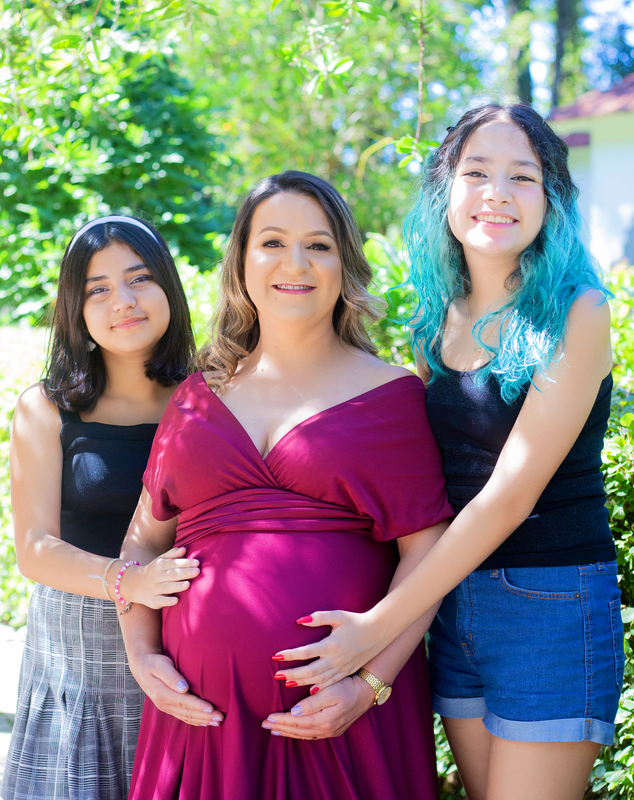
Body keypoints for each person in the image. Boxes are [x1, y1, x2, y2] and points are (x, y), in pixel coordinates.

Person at [271, 104, 623, 800]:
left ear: (551, 197)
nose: (497, 193)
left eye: (522, 176)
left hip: (549, 603)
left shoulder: (579, 312)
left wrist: (375, 628)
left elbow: (509, 497)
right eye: (477, 173)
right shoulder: (435, 320)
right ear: (445, 192)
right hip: (453, 602)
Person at [118, 171, 454, 800]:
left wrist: (370, 684)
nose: (294, 263)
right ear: (241, 262)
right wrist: (141, 653)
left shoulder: (394, 396)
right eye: (271, 242)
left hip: (339, 715)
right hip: (201, 721)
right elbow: (142, 544)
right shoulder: (195, 397)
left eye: (318, 245)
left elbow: (429, 556)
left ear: (344, 265)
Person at [1, 215, 205, 800]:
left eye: (139, 279)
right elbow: (34, 549)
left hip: (192, 648)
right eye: (99, 288)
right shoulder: (46, 408)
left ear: (168, 288)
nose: (124, 301)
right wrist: (129, 581)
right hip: (81, 655)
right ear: (76, 309)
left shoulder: (214, 395)